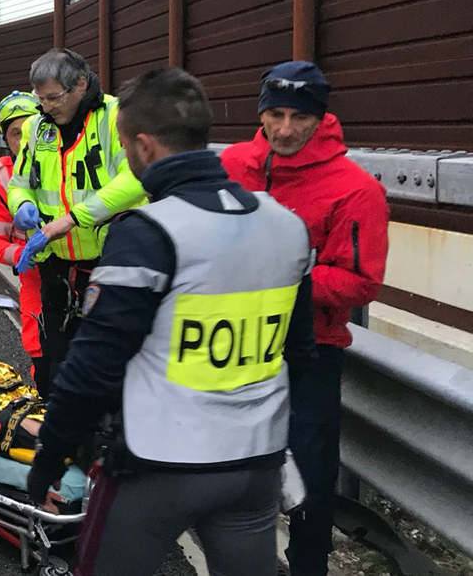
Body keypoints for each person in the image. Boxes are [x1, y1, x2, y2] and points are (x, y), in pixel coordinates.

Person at [27, 68, 316, 576]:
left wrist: (50, 456)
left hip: (159, 465)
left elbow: (92, 366)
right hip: (255, 466)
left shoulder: (149, 232)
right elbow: (299, 353)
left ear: (143, 147)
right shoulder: (286, 225)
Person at [221, 61, 389, 576]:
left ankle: (308, 566)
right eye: (275, 113)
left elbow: (361, 280)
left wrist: (278, 283)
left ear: (322, 117)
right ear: (260, 112)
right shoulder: (229, 165)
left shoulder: (355, 189)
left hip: (312, 353)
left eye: (300, 116)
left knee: (311, 480)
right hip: (230, 344)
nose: (286, 129)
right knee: (223, 467)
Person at [7, 49, 145, 396]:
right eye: (40, 98)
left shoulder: (117, 117)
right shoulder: (37, 127)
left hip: (109, 262)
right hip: (56, 265)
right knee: (57, 359)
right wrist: (22, 205)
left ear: (81, 84)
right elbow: (19, 182)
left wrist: (72, 219)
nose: (46, 107)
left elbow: (136, 179)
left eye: (54, 98)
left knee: (106, 359)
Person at [0, 91, 45, 385]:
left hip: (87, 270)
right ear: (6, 140)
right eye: (16, 133)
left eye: (32, 127)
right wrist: (20, 255)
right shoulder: (1, 176)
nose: (25, 138)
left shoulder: (72, 159)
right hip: (37, 276)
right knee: (41, 353)